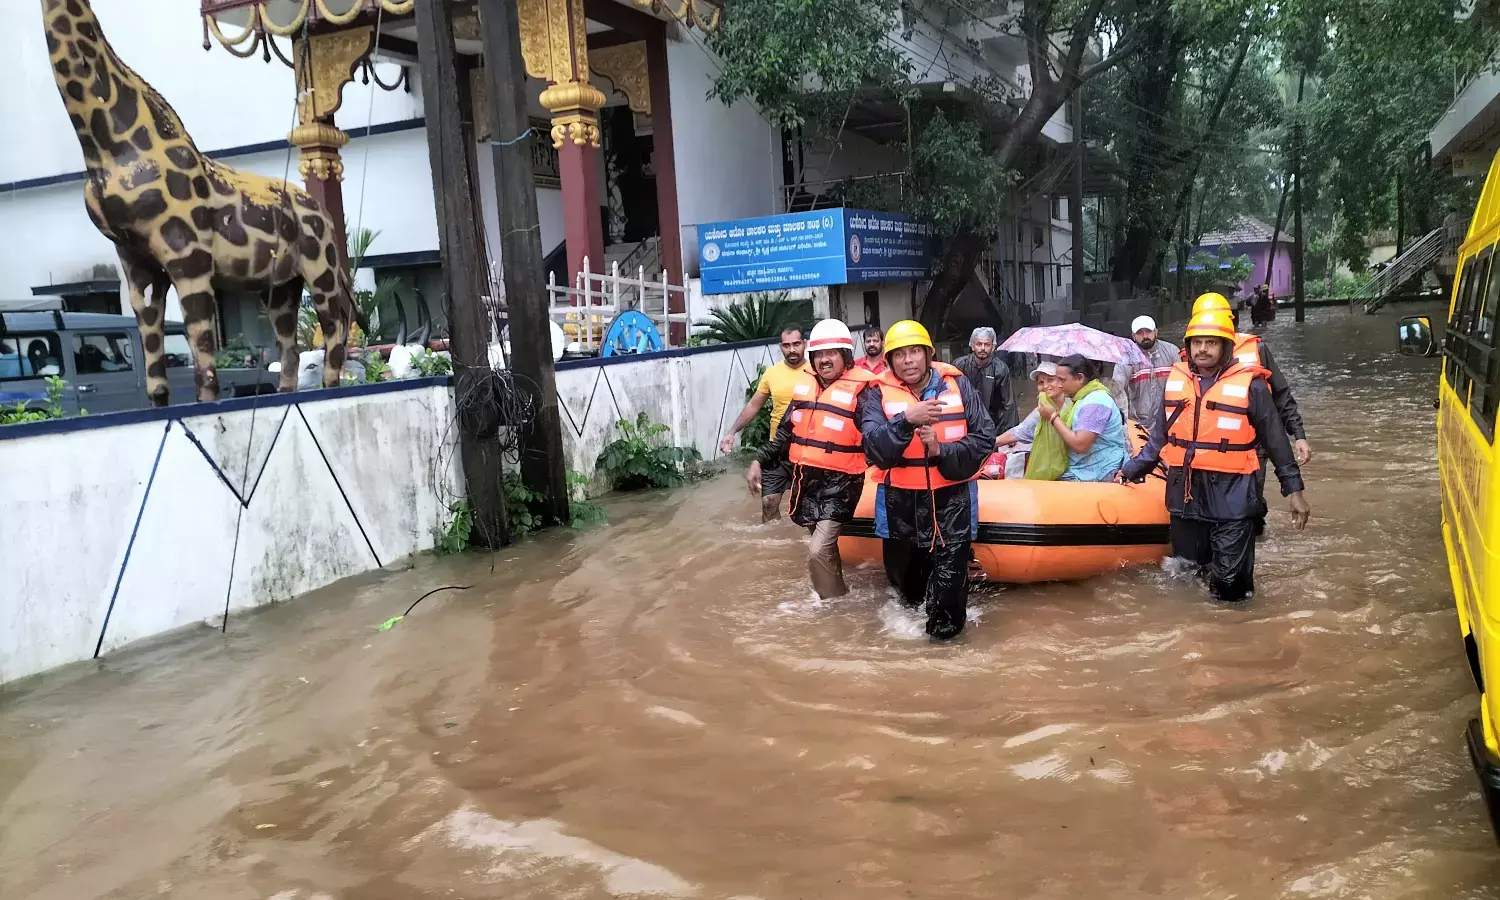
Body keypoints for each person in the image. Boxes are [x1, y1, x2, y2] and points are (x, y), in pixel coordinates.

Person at [1122, 309, 1311, 602]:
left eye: (1211, 343)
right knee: (1185, 575)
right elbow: (1158, 437)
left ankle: (1235, 626)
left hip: (1233, 495)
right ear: (1188, 346)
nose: (1203, 349)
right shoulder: (1176, 381)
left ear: (1225, 346)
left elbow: (1275, 440)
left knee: (1230, 586)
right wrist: (1130, 470)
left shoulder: (1252, 385)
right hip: (1185, 494)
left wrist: (1294, 490)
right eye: (1197, 343)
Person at [858, 320, 996, 640]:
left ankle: (945, 651)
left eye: (915, 352)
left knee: (948, 593)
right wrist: (906, 420)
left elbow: (984, 438)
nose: (908, 361)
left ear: (928, 354)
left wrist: (940, 450)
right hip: (900, 502)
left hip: (951, 500)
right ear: (890, 360)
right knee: (907, 593)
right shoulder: (876, 393)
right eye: (900, 354)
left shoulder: (958, 385)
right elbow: (874, 448)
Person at [748, 319, 875, 599]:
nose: (824, 359)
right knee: (825, 550)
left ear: (845, 355)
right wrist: (759, 459)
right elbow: (785, 434)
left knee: (818, 550)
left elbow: (876, 435)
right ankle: (841, 597)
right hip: (807, 481)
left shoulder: (864, 392)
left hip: (842, 482)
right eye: (818, 354)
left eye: (831, 353)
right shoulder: (806, 387)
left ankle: (829, 606)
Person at [1192, 292, 1312, 536]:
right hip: (1208, 447)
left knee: (1249, 502)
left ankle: (1254, 534)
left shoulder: (1257, 350)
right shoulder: (1192, 356)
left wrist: (1298, 435)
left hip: (1251, 444)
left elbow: (1281, 395)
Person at [720, 326, 811, 521]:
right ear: (780, 347)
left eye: (796, 344)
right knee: (769, 502)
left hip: (807, 448)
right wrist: (732, 432)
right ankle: (773, 539)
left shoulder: (814, 372)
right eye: (786, 345)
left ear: (805, 344)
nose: (792, 349)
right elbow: (754, 405)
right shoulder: (772, 373)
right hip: (776, 448)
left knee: (807, 505)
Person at [1038, 355, 1130, 482]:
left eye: (1062, 380)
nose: (1059, 385)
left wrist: (1053, 416)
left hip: (1101, 470)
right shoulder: (1080, 399)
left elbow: (1080, 444)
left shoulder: (1096, 401)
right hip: (1083, 466)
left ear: (1080, 378)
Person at [995, 360, 1073, 480]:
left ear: (1061, 382)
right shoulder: (1042, 410)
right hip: (1055, 462)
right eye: (1041, 382)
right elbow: (1020, 431)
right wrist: (988, 444)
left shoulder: (1074, 404)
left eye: (1050, 380)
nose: (1045, 386)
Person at [1112, 315, 1179, 427]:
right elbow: (1116, 390)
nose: (1145, 336)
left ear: (1156, 332)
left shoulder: (1172, 351)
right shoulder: (1126, 358)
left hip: (1170, 419)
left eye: (1148, 331)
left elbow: (1184, 383)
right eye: (1140, 333)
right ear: (1133, 336)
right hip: (1139, 424)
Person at [953, 326, 1018, 434]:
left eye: (987, 344)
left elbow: (1008, 403)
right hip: (965, 422)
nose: (982, 348)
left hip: (992, 424)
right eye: (979, 344)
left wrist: (1011, 432)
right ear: (972, 346)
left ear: (993, 347)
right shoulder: (959, 365)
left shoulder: (1000, 369)